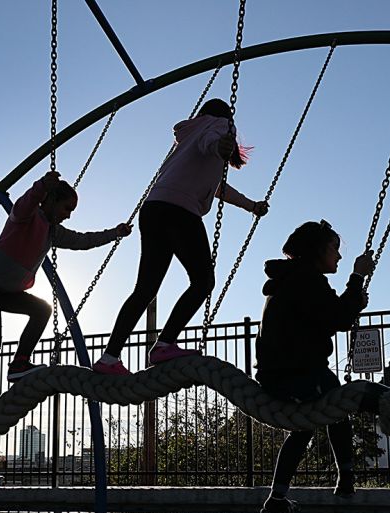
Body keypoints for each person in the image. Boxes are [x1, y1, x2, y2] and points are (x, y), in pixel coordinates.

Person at [93, 98, 269, 376]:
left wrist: (250, 205)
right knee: (203, 281)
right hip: (180, 211)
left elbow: (218, 188)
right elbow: (211, 140)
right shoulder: (220, 127)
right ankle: (164, 344)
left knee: (145, 289)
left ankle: (109, 357)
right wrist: (220, 143)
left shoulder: (186, 139)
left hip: (153, 209)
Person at [0, 170, 132, 418]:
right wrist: (41, 186)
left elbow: (84, 240)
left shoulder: (52, 232)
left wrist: (114, 233)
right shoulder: (26, 217)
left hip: (7, 292)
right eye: (66, 208)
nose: (68, 215)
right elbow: (23, 205)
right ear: (50, 201)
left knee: (42, 309)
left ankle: (19, 363)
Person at [254, 220, 376, 513]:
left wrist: (353, 302)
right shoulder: (305, 280)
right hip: (296, 374)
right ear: (316, 250)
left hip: (280, 374)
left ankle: (277, 497)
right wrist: (356, 278)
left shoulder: (292, 280)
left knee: (304, 426)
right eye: (334, 249)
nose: (339, 256)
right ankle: (346, 479)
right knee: (338, 402)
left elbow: (327, 315)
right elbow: (337, 317)